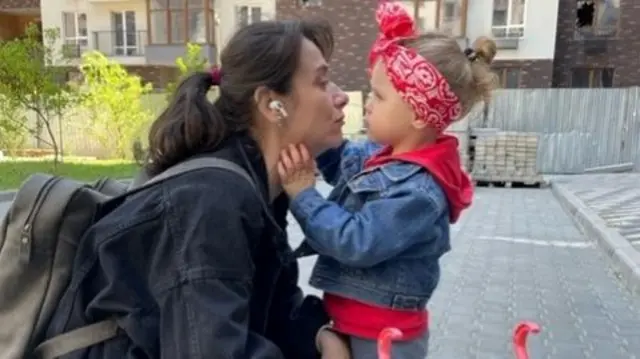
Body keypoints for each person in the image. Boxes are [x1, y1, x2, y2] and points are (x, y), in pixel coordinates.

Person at [43, 18, 353, 359]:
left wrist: (320, 334)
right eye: (323, 82)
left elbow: (276, 309)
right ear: (271, 104)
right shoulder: (210, 201)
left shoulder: (256, 187)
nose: (341, 97)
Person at [276, 2, 498, 358]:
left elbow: (356, 241)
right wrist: (313, 137)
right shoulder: (383, 153)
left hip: (387, 339)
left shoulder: (420, 192)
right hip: (352, 322)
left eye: (379, 96)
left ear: (417, 115)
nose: (366, 104)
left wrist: (304, 196)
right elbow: (345, 164)